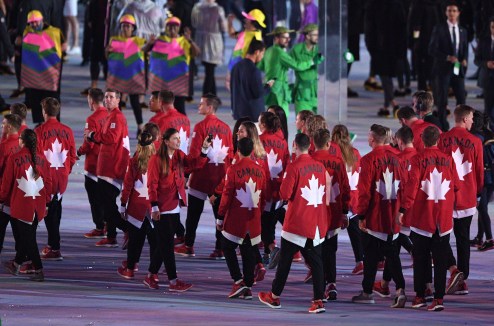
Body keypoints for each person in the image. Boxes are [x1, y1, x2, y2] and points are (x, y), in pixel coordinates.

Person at [258, 133, 328, 313]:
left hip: (297, 222)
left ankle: (274, 296)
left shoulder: (294, 166)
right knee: (317, 262)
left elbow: (285, 194)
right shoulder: (320, 167)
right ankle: (319, 300)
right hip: (317, 221)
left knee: (285, 261)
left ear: (294, 145)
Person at [399, 126, 459, 311]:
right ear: (438, 140)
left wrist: (403, 209)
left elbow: (412, 186)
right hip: (443, 218)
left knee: (421, 259)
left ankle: (420, 296)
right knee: (440, 261)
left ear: (422, 140)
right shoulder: (448, 160)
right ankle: (439, 298)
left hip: (423, 218)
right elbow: (455, 185)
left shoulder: (418, 159)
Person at [144, 127, 210, 291]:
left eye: (179, 138)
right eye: (175, 138)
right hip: (161, 207)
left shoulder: (179, 155)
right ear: (166, 141)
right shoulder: (156, 160)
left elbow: (194, 165)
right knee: (166, 246)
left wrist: (204, 149)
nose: (178, 141)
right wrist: (154, 206)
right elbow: (151, 184)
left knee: (163, 243)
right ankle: (173, 282)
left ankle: (151, 275)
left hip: (174, 206)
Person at [352, 124, 406, 308]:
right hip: (393, 215)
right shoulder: (398, 159)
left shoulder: (368, 160)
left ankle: (369, 291)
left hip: (375, 216)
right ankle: (398, 289)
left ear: (372, 139)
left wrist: (361, 215)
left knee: (371, 256)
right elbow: (405, 187)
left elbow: (364, 192)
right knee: (391, 254)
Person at [175, 94, 234, 258]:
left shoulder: (201, 127)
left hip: (201, 177)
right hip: (220, 177)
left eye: (201, 104)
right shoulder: (226, 128)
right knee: (219, 216)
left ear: (209, 107)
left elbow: (195, 154)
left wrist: (187, 172)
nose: (198, 107)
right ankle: (220, 248)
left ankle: (188, 245)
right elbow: (230, 155)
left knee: (193, 215)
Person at [439, 105, 483, 295]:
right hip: (467, 196)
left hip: (446, 196)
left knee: (440, 238)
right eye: (472, 118)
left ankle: (453, 269)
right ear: (465, 119)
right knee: (463, 239)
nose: (473, 121)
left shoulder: (442, 139)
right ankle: (462, 280)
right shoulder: (476, 141)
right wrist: (477, 193)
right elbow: (480, 172)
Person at [217, 137, 266, 299]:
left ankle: (238, 281)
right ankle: (248, 286)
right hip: (253, 217)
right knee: (247, 249)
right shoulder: (260, 170)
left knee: (227, 245)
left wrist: (220, 216)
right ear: (252, 151)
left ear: (238, 150)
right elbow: (263, 196)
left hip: (236, 217)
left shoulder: (233, 169)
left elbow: (226, 195)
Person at [1, 129, 52, 281]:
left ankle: (38, 269)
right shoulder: (43, 159)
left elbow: (6, 184)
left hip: (22, 205)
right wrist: (47, 204)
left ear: (22, 141)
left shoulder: (14, 158)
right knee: (26, 237)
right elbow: (48, 184)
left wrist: (2, 199)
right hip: (38, 206)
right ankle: (16, 264)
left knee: (29, 239)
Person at [85, 89, 130, 247]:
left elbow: (111, 138)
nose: (108, 100)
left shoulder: (116, 117)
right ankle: (111, 236)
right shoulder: (111, 116)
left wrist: (93, 136)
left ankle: (128, 229)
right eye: (106, 97)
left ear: (118, 100)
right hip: (108, 166)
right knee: (109, 203)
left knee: (107, 206)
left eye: (111, 97)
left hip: (111, 166)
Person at [35, 98, 77, 261]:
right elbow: (73, 155)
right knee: (56, 209)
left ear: (44, 112)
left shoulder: (39, 131)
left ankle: (54, 246)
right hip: (62, 176)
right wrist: (66, 170)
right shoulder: (68, 130)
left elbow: (37, 158)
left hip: (46, 177)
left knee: (47, 212)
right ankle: (54, 245)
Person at [311, 128, 350, 301]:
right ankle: (331, 283)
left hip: (315, 211)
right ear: (328, 144)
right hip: (333, 211)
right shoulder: (338, 162)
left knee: (316, 251)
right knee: (330, 250)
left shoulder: (309, 161)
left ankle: (320, 286)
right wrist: (344, 211)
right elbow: (345, 188)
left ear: (313, 143)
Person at [117, 128, 157, 279]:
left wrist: (122, 205)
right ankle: (154, 272)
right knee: (155, 240)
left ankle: (130, 269)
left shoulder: (134, 162)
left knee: (135, 240)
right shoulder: (158, 161)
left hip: (136, 207)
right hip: (154, 206)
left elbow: (127, 185)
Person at [258, 26, 317, 117]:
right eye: (284, 38)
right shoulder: (280, 53)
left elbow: (260, 66)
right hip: (279, 91)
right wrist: (311, 61)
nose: (288, 40)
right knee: (281, 119)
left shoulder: (269, 50)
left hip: (269, 88)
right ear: (276, 38)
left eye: (288, 37)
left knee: (271, 118)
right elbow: (297, 66)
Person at [146, 16, 200, 115]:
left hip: (178, 82)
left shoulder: (184, 41)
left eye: (175, 27)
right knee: (161, 111)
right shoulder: (159, 40)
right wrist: (149, 44)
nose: (172, 29)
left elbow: (196, 53)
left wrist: (190, 41)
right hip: (161, 83)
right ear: (165, 28)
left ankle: (183, 129)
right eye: (169, 26)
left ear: (179, 28)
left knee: (180, 109)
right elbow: (144, 51)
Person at [20, 10, 65, 124]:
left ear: (42, 20)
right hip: (35, 73)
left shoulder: (55, 32)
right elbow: (20, 43)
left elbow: (64, 46)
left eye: (36, 22)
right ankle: (40, 123)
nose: (34, 24)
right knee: (36, 99)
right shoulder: (27, 32)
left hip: (51, 72)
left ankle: (55, 122)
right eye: (31, 23)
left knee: (52, 98)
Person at [429, 2, 469, 131]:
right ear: (446, 13)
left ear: (458, 13)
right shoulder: (439, 28)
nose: (451, 13)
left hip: (458, 69)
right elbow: (432, 49)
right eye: (449, 11)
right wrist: (447, 57)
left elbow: (464, 49)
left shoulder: (462, 30)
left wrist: (464, 60)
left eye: (454, 11)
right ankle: (442, 128)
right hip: (442, 69)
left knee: (461, 98)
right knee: (441, 100)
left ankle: (461, 127)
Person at [258, 112, 290, 268]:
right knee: (270, 220)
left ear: (263, 124)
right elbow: (287, 164)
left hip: (263, 187)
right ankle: (268, 252)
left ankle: (271, 249)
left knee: (264, 222)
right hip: (278, 187)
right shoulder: (283, 142)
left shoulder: (259, 140)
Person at [364, 0, 407, 117]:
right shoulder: (396, 4)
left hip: (382, 46)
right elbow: (402, 27)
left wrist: (370, 46)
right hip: (390, 46)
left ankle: (393, 104)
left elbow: (369, 27)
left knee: (385, 75)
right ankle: (388, 105)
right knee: (386, 75)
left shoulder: (374, 5)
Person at [106, 14, 146, 134]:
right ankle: (118, 126)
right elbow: (108, 57)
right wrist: (106, 51)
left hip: (133, 77)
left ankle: (140, 126)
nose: (125, 28)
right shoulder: (114, 40)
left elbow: (147, 51)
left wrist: (150, 45)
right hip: (117, 77)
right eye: (123, 26)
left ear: (133, 28)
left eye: (128, 26)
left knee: (135, 103)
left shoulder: (139, 41)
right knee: (116, 105)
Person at [332, 124, 364, 275]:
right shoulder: (356, 153)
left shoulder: (333, 153)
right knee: (355, 231)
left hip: (337, 196)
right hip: (354, 197)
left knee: (331, 233)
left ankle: (328, 264)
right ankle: (360, 261)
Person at [78, 88, 109, 239]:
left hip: (93, 164)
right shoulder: (111, 115)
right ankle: (109, 223)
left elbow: (88, 144)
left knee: (95, 198)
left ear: (91, 100)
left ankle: (99, 226)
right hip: (108, 163)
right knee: (106, 197)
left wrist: (79, 152)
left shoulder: (92, 119)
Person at [191, 0, 227, 95]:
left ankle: (213, 95)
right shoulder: (218, 9)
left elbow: (194, 23)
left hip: (200, 40)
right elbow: (224, 27)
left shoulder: (197, 7)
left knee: (209, 70)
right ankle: (207, 96)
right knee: (210, 70)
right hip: (213, 42)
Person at [231, 40, 270, 121]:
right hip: (253, 114)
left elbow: (233, 89)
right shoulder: (254, 70)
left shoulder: (236, 67)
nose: (262, 56)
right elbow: (257, 93)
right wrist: (267, 87)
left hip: (239, 113)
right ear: (257, 52)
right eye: (262, 53)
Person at [0, 114, 22, 255]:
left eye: (3, 124)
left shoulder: (4, 147)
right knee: (20, 231)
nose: (2, 126)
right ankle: (21, 259)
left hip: (5, 195)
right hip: (21, 194)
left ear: (8, 127)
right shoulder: (23, 144)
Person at [290, 24, 323, 114]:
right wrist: (311, 62)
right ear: (307, 36)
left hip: (318, 92)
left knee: (320, 125)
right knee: (302, 123)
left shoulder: (321, 49)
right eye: (315, 35)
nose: (317, 37)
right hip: (302, 93)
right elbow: (295, 65)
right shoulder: (297, 49)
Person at [474, 17, 494, 124]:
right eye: (492, 27)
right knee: (488, 108)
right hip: (487, 79)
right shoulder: (483, 41)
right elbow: (476, 60)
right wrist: (486, 64)